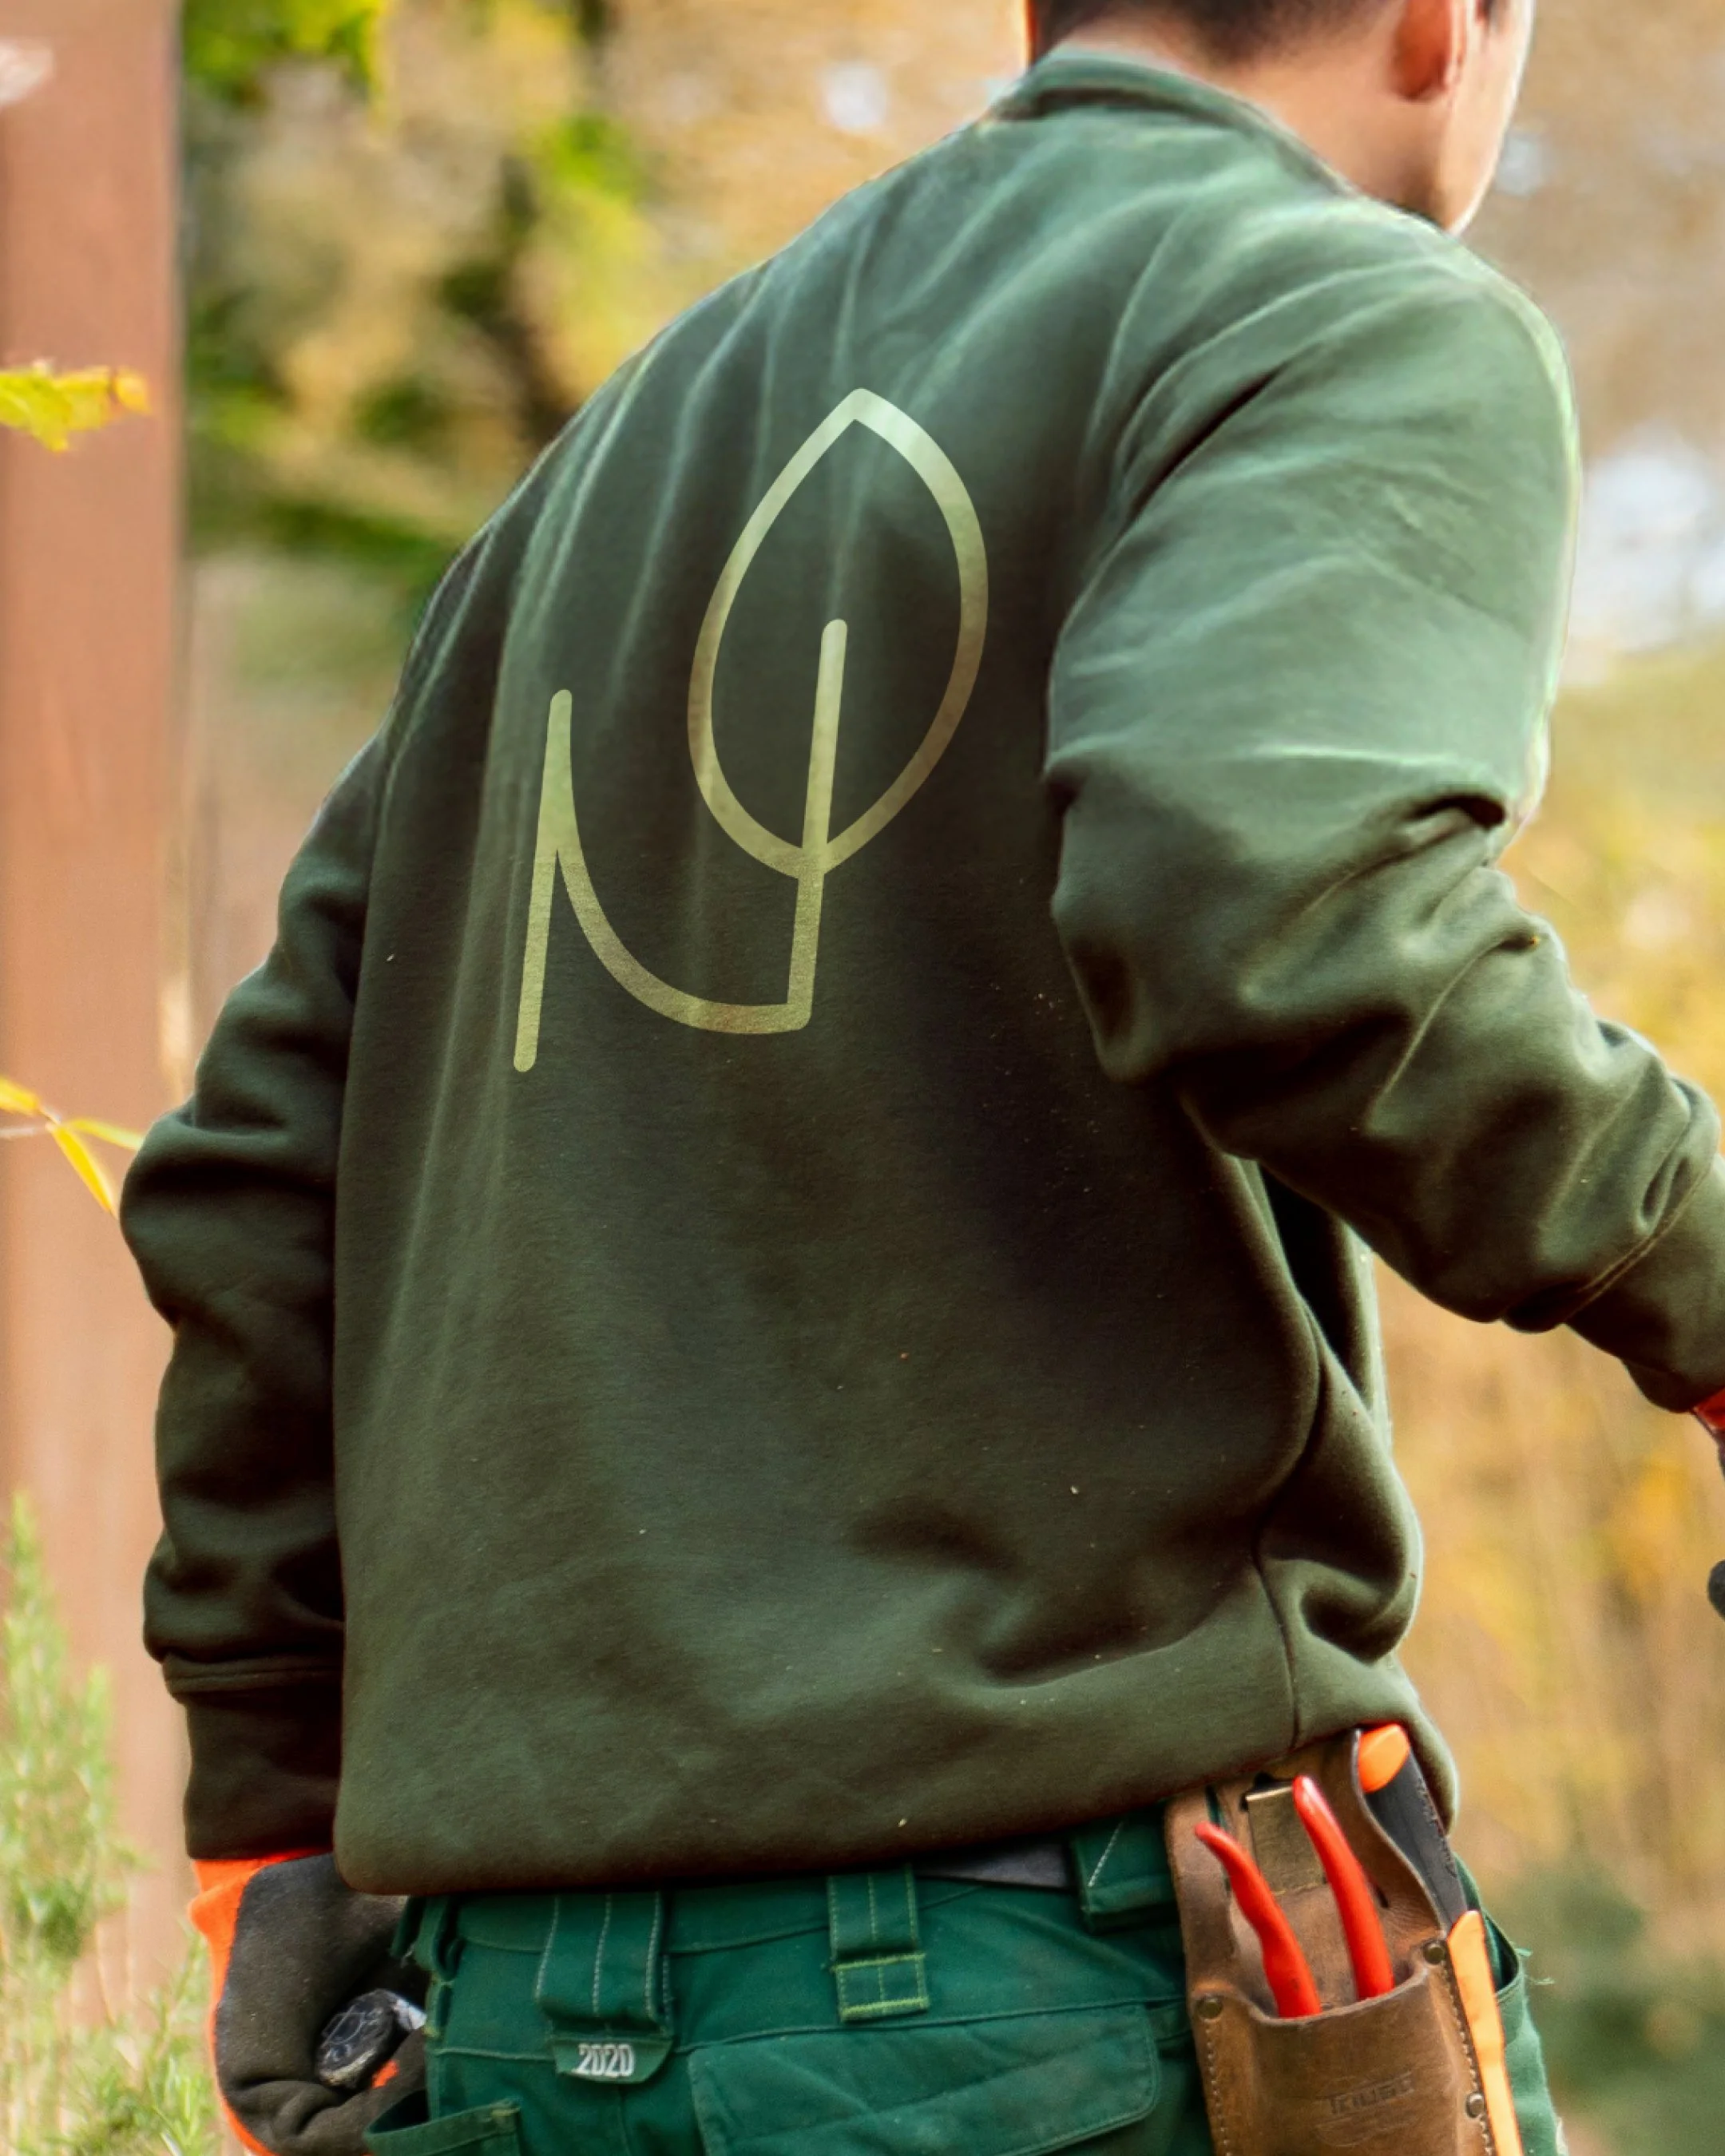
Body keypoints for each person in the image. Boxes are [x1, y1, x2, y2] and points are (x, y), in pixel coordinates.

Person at [122, 2, 1725, 2153]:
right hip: (1049, 2014)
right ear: (1449, 25)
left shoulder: (610, 464)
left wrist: (273, 1828)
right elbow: (1276, 895)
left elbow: (248, 1172)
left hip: (504, 2036)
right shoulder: (1331, 303)